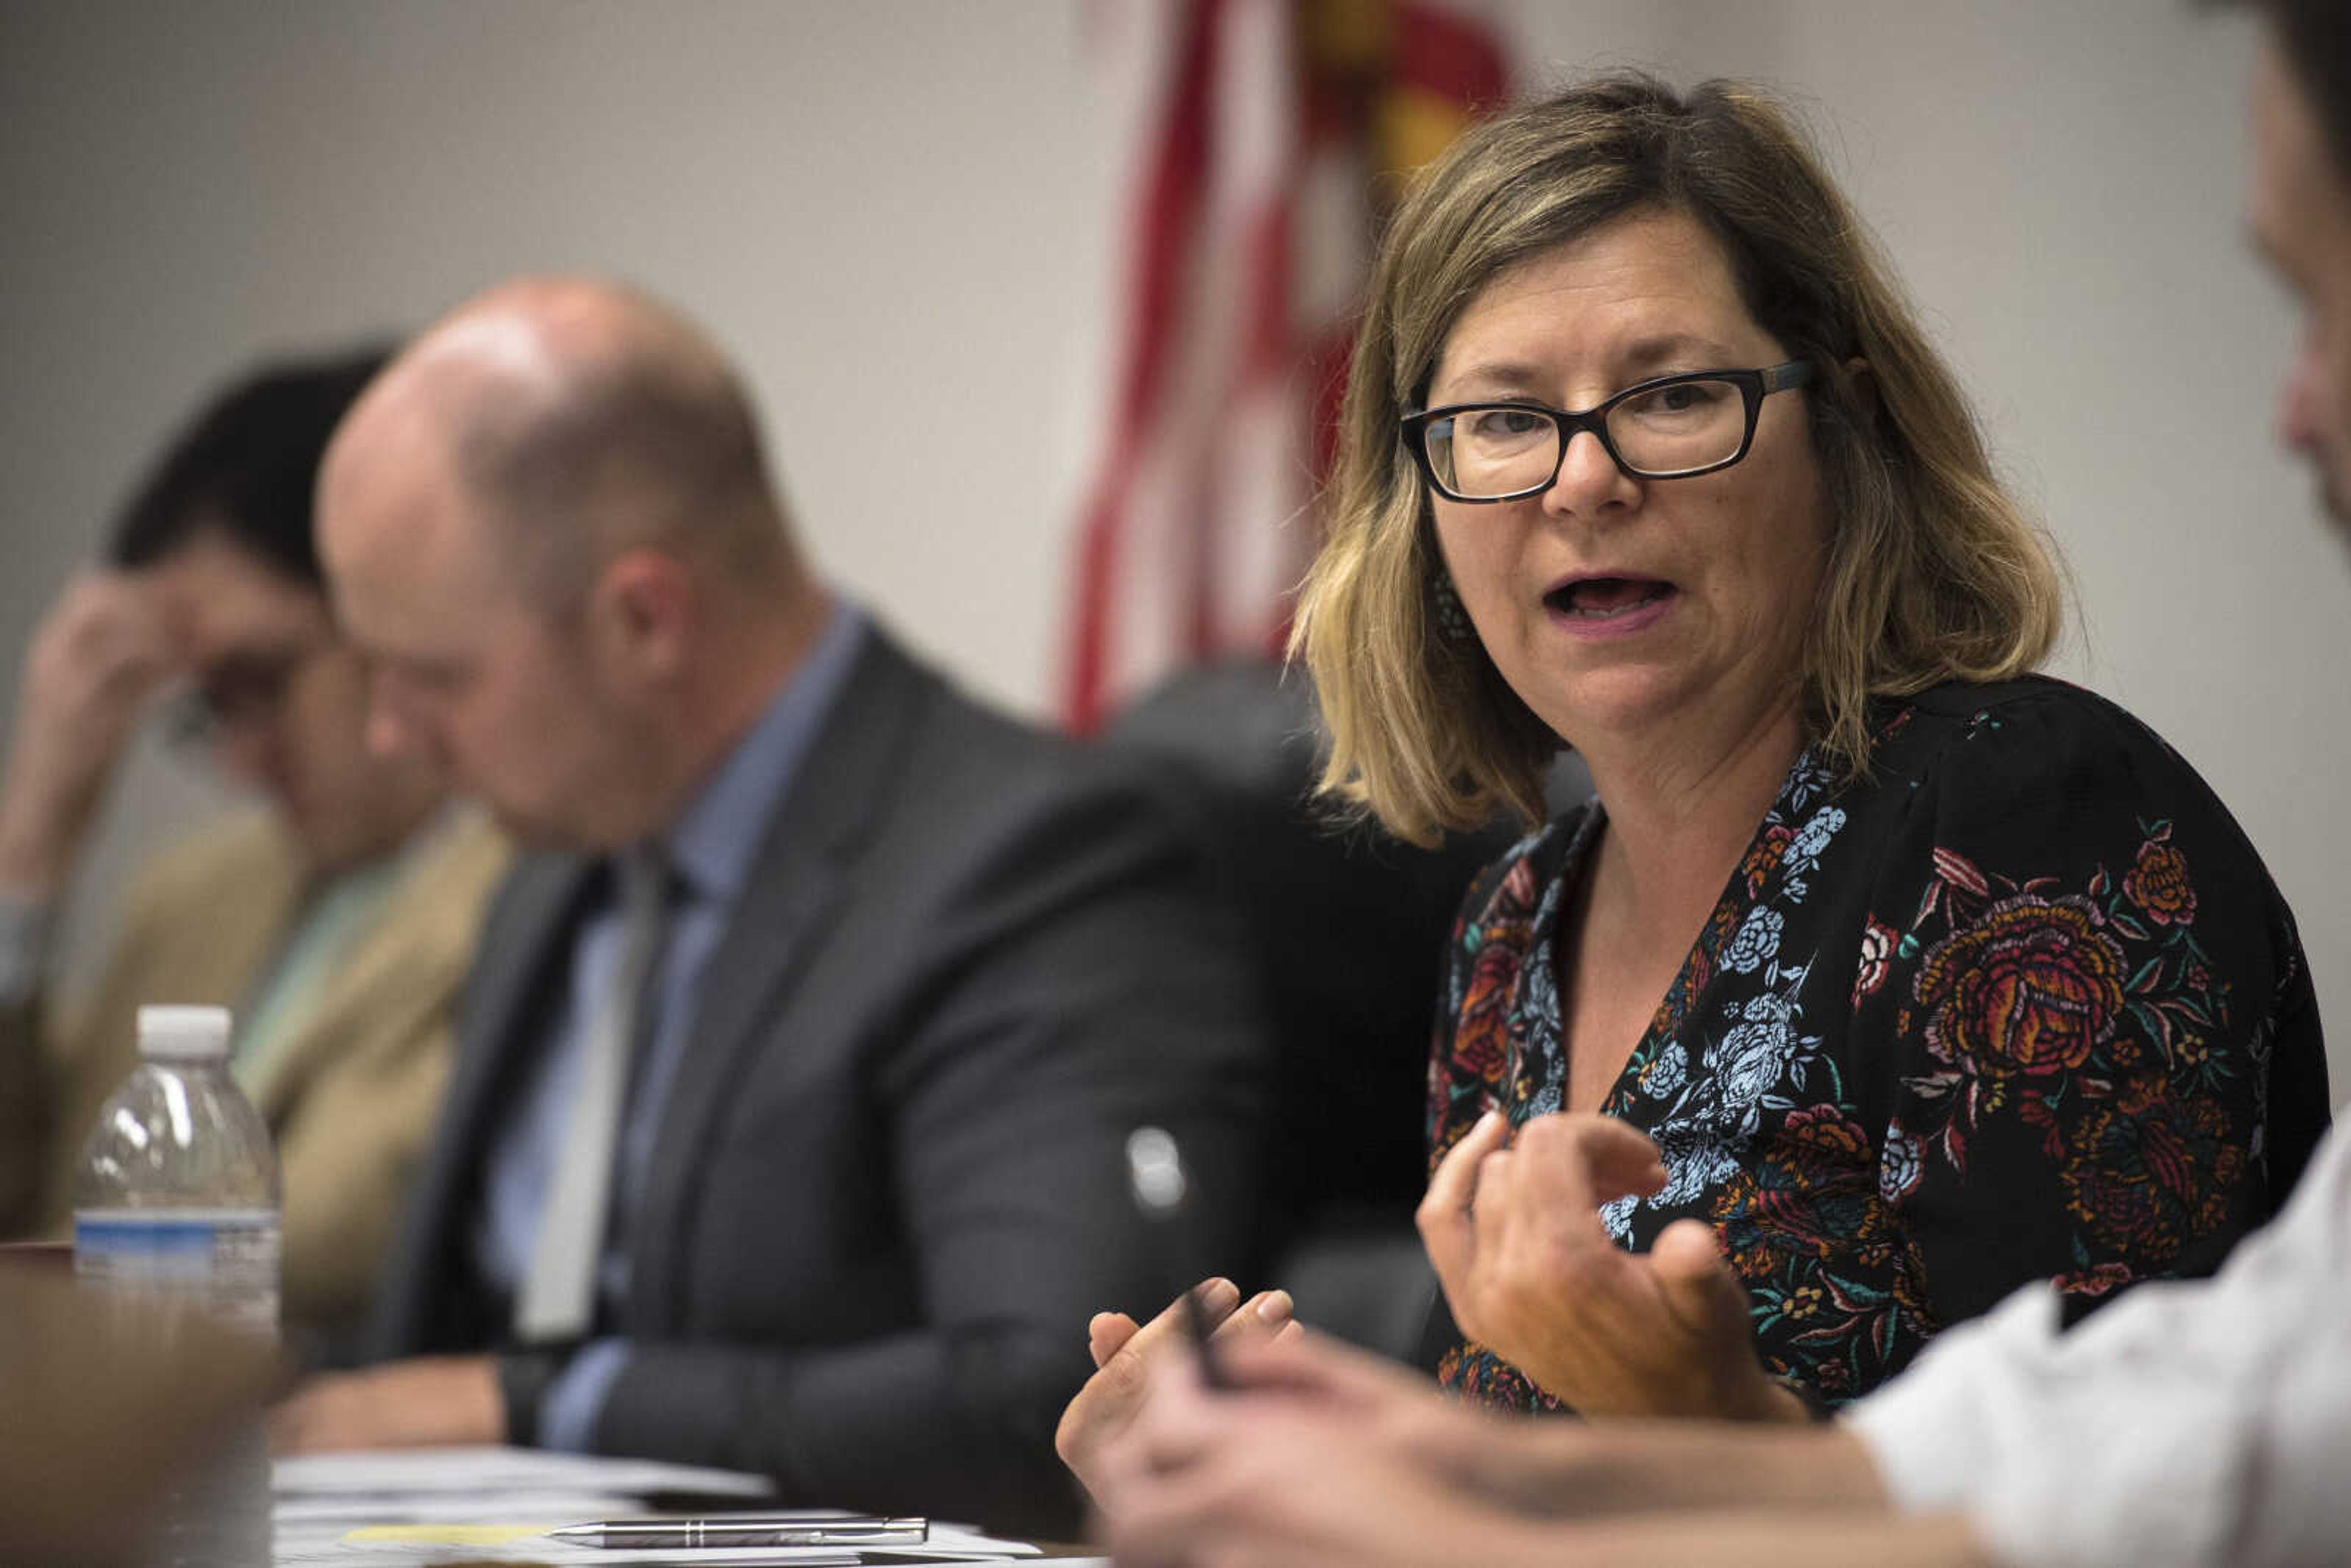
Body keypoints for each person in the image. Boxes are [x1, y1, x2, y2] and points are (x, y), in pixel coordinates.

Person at [1080, 6, 2351, 1564]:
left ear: (1843, 430)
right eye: (1501, 420)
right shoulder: (1510, 924)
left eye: (1672, 394)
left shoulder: (2024, 829)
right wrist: (1295, 1455)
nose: (1582, 477)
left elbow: (2146, 1514)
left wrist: (1710, 1413)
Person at [266, 276, 1268, 1532]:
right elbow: (437, 1340)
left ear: (644, 620)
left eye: (432, 678)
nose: (390, 735)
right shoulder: (555, 864)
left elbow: (1054, 1390)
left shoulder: (1035, 861)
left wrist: (531, 1404)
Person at [0, 350, 510, 1349]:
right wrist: (31, 843)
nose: (241, 759)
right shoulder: (193, 893)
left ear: (393, 612)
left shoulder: (538, 881)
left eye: (263, 679)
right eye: (208, 709)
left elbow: (326, 1238)